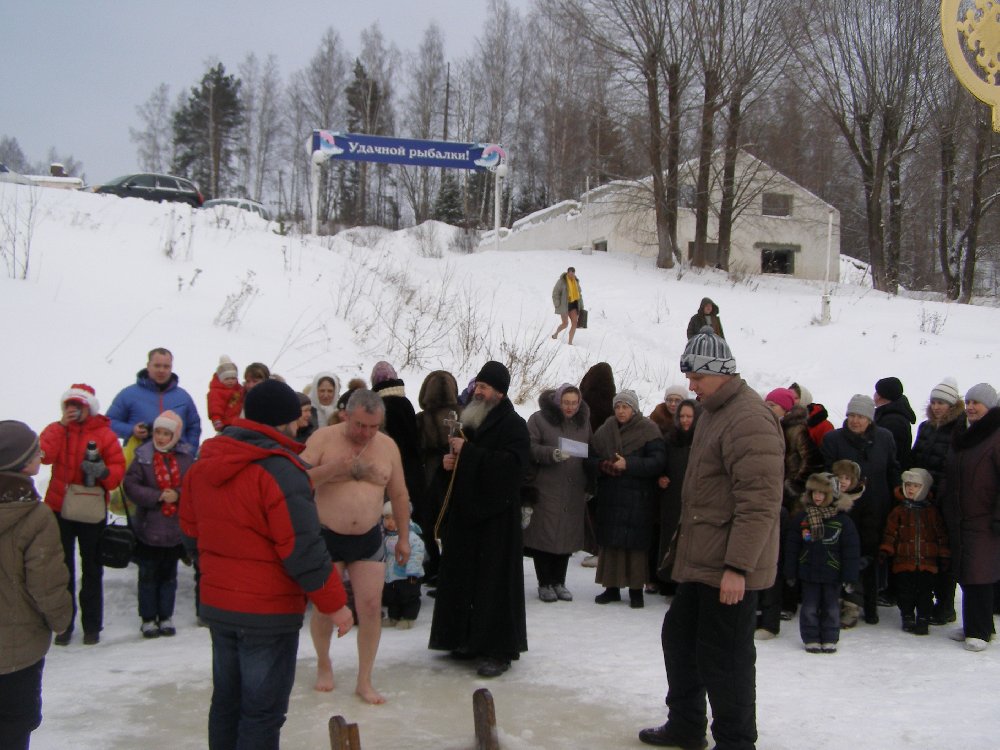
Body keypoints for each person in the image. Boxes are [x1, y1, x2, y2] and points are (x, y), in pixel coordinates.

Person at [179, 379, 353, 749]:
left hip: (220, 606)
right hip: (267, 615)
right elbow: (303, 549)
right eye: (297, 418)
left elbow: (191, 534)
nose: (301, 424)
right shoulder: (280, 471)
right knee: (261, 712)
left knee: (227, 703)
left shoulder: (203, 465)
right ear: (284, 421)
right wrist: (335, 604)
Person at [640, 326, 783, 750]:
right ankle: (686, 725)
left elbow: (760, 502)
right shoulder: (714, 412)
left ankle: (736, 742)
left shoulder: (749, 418)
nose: (691, 386)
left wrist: (738, 567)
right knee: (680, 640)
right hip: (702, 560)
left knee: (727, 659)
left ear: (721, 373)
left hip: (729, 566)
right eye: (689, 376)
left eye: (697, 377)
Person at [301, 388, 410, 704]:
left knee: (371, 607)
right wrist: (334, 469)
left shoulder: (387, 446)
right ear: (345, 415)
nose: (366, 433)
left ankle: (365, 680)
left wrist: (404, 538)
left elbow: (399, 494)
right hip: (327, 535)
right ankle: (324, 663)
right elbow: (298, 480)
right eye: (360, 425)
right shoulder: (323, 438)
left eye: (373, 427)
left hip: (368, 537)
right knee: (325, 607)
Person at [429, 361, 530, 678]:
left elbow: (514, 468)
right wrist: (449, 463)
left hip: (497, 521)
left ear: (500, 392)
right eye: (477, 386)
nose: (478, 391)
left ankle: (498, 650)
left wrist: (469, 454)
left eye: (484, 387)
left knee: (494, 585)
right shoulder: (470, 419)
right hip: (466, 517)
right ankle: (465, 640)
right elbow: (461, 461)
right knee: (465, 579)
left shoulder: (514, 425)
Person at [0, 420, 72, 750]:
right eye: (34, 452)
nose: (40, 455)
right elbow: (46, 584)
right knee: (15, 727)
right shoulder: (35, 516)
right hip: (18, 651)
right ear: (19, 462)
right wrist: (61, 620)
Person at [40, 384, 126, 646]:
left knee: (92, 568)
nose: (74, 410)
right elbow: (44, 456)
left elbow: (117, 472)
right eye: (69, 405)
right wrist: (60, 426)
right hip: (60, 508)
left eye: (79, 405)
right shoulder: (57, 430)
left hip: (91, 510)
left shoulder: (105, 434)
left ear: (90, 408)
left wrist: (102, 472)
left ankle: (92, 626)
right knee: (62, 569)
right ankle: (64, 625)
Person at [821, 394, 900, 624]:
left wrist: (897, 495)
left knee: (871, 556)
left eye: (861, 417)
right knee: (842, 555)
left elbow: (892, 468)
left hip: (877, 506)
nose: (855, 421)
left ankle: (870, 604)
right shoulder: (833, 439)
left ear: (870, 419)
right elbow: (825, 472)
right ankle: (843, 603)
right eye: (852, 415)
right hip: (845, 507)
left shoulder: (884, 438)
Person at [589, 389, 666, 609]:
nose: (621, 411)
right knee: (611, 544)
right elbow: (591, 457)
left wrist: (629, 464)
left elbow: (657, 462)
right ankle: (611, 588)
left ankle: (635, 591)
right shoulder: (606, 430)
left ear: (634, 409)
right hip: (611, 496)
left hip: (638, 498)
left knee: (635, 547)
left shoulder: (648, 430)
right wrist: (603, 466)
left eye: (625, 407)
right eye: (618, 407)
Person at [756, 387, 823, 639]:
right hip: (771, 498)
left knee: (786, 553)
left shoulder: (797, 430)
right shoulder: (769, 427)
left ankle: (787, 602)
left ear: (785, 409)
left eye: (773, 405)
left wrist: (792, 486)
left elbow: (812, 462)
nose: (768, 408)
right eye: (767, 404)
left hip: (791, 503)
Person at [123, 410, 195, 638]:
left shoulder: (185, 458)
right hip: (149, 528)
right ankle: (147, 618)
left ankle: (165, 615)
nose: (161, 438)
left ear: (175, 436)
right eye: (158, 432)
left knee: (169, 577)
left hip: (174, 530)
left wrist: (178, 494)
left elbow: (194, 484)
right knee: (147, 576)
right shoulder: (143, 456)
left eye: (166, 434)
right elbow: (131, 485)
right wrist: (157, 496)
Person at [941, 383, 1000, 652]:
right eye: (968, 402)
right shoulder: (964, 433)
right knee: (966, 573)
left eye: (977, 403)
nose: (971, 407)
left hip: (984, 517)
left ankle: (980, 632)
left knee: (980, 573)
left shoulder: (995, 435)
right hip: (960, 516)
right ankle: (975, 625)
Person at [524, 384, 592, 602]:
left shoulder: (583, 422)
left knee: (566, 536)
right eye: (565, 403)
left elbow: (590, 450)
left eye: (574, 403)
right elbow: (529, 447)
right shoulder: (539, 419)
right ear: (557, 401)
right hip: (547, 486)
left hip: (574, 488)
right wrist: (551, 453)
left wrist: (590, 482)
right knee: (545, 536)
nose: (570, 407)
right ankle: (544, 583)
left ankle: (559, 582)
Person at [784, 473, 861, 653]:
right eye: (814, 492)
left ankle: (830, 637)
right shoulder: (803, 518)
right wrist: (790, 571)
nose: (817, 497)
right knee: (809, 607)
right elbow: (792, 547)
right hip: (808, 572)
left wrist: (850, 576)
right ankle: (811, 637)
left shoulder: (843, 521)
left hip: (832, 572)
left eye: (822, 493)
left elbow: (851, 551)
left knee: (831, 608)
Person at [909, 377, 964, 625]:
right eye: (934, 402)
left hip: (944, 499)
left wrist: (940, 490)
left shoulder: (960, 429)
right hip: (921, 497)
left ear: (952, 405)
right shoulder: (926, 427)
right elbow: (916, 457)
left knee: (944, 554)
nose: (937, 406)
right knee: (926, 552)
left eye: (941, 402)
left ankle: (945, 605)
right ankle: (925, 601)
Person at [879, 468, 950, 635]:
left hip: (927, 562)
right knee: (905, 592)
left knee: (925, 593)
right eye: (908, 485)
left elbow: (941, 534)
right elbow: (890, 532)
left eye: (916, 486)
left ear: (924, 488)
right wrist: (886, 549)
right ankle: (908, 616)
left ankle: (923, 618)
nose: (911, 489)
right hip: (903, 561)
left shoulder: (932, 512)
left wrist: (944, 554)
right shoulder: (899, 510)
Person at [107, 347, 202, 449]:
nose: (161, 370)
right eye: (157, 366)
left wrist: (190, 451)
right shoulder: (128, 394)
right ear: (148, 366)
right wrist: (131, 430)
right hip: (137, 457)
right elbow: (108, 423)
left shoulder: (183, 397)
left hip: (176, 457)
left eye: (166, 366)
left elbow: (194, 427)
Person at [654, 399, 698, 595]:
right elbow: (660, 463)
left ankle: (686, 584)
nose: (685, 420)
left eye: (689, 416)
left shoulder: (702, 440)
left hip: (695, 498)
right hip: (672, 496)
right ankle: (667, 580)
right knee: (670, 538)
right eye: (682, 416)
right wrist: (660, 477)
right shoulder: (670, 439)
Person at [579, 362, 617, 565]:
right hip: (604, 463)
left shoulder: (585, 406)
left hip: (587, 460)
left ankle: (590, 545)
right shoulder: (612, 407)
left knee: (588, 505)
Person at [381, 501, 426, 629]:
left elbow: (417, 553)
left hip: (408, 575)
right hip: (391, 575)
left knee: (409, 597)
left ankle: (408, 618)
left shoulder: (410, 536)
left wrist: (413, 572)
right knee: (393, 597)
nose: (390, 522)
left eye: (394, 518)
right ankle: (393, 617)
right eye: (387, 518)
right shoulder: (387, 537)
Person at [873, 376, 917, 468]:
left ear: (880, 396)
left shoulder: (893, 421)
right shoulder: (891, 415)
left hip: (889, 472)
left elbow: (891, 454)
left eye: (877, 392)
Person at [207, 355, 243, 432]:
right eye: (227, 379)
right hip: (226, 424)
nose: (230, 381)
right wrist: (217, 420)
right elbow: (215, 407)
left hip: (239, 422)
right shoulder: (216, 392)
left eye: (233, 378)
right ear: (220, 379)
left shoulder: (239, 390)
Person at [551, 266, 585, 345]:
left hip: (573, 305)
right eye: (570, 273)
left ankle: (570, 342)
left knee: (575, 323)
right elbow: (555, 293)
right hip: (564, 305)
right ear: (567, 273)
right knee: (565, 324)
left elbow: (579, 294)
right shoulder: (562, 281)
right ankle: (556, 334)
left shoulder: (576, 282)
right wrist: (557, 304)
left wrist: (581, 305)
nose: (571, 275)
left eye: (573, 274)